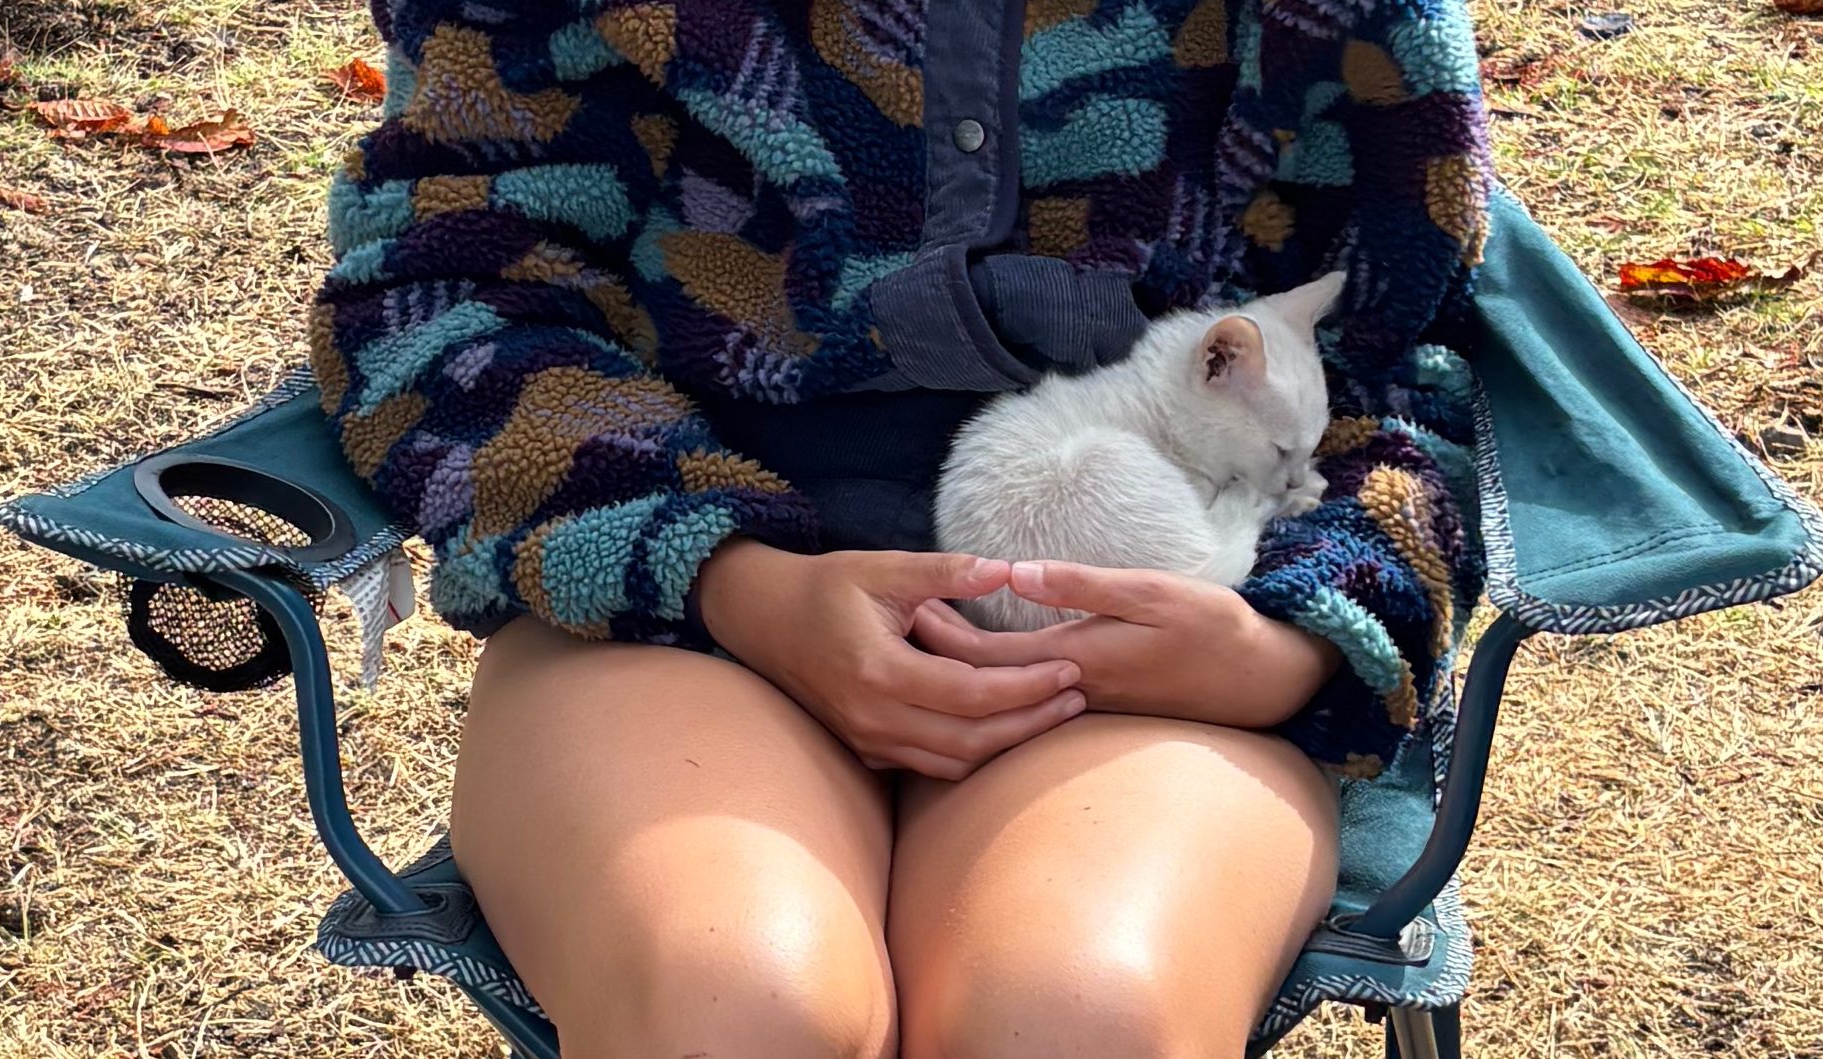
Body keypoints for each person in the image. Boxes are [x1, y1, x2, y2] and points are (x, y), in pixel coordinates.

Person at [311, 2, 1489, 1055]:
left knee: (1076, 1020)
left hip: (1153, 629)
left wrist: (1282, 649)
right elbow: (446, 288)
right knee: (728, 1005)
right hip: (676, 600)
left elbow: (1398, 360)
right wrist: (733, 582)